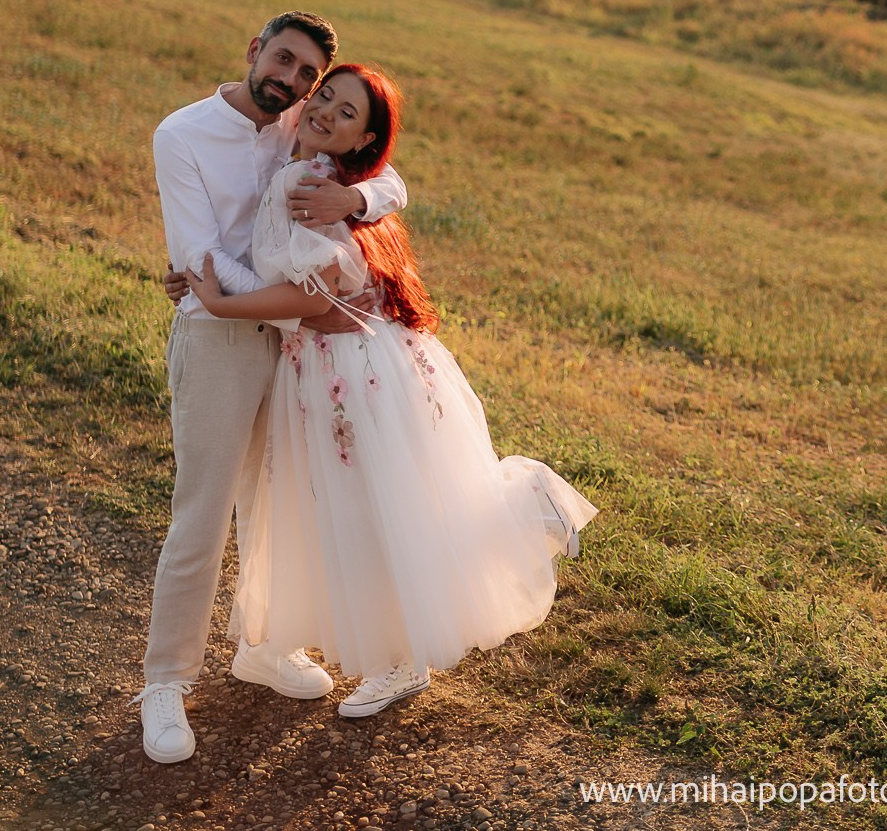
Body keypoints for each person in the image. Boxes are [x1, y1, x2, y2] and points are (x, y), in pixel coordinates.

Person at [183, 62, 596, 720]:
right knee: (369, 507)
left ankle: (403, 658)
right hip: (340, 364)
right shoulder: (320, 165)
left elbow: (312, 296)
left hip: (352, 370)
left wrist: (220, 300)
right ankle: (512, 521)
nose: (328, 113)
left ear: (361, 141)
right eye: (328, 97)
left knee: (376, 511)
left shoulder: (316, 183)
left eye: (349, 114)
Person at [137, 12, 410, 764]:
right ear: (255, 50)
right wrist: (301, 292)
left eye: (307, 75)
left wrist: (350, 205)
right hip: (223, 336)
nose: (292, 82)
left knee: (277, 502)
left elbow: (390, 177)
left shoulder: (303, 118)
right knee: (204, 512)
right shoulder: (182, 135)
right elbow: (201, 262)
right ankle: (165, 682)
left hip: (295, 344)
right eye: (283, 59)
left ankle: (262, 643)